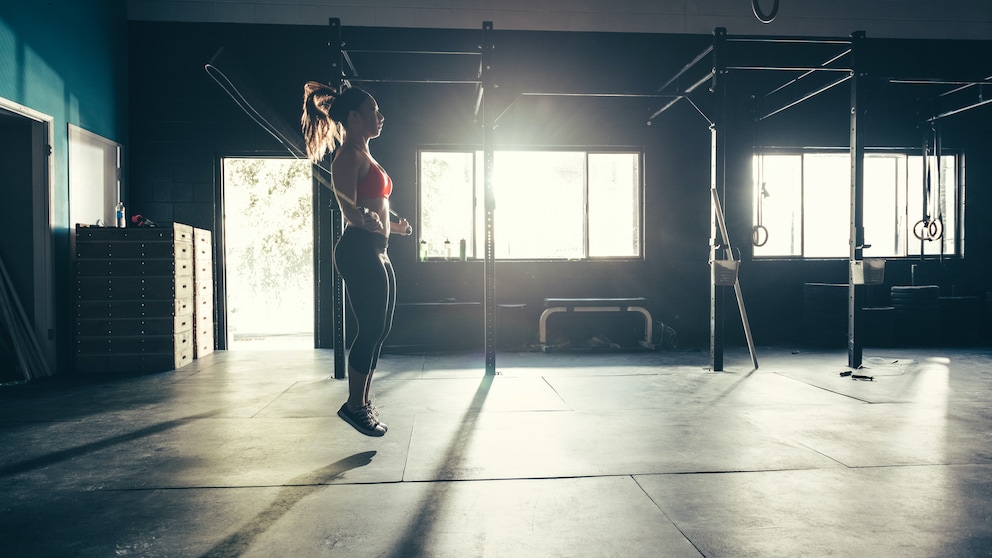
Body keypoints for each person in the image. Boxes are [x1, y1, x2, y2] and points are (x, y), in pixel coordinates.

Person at [302, 81, 412, 437]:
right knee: (370, 329)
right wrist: (361, 217)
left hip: (377, 248)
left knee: (381, 330)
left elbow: (373, 206)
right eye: (373, 111)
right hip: (358, 248)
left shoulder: (366, 154)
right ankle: (354, 405)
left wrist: (394, 226)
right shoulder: (347, 155)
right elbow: (347, 205)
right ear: (354, 117)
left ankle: (361, 403)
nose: (380, 117)